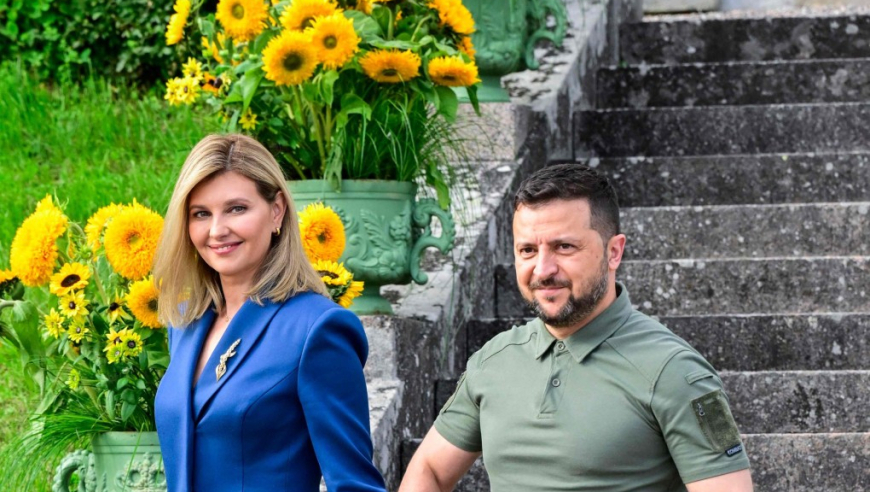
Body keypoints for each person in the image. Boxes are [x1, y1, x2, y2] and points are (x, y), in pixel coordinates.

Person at [399, 163, 753, 491]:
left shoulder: (675, 372)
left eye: (564, 247)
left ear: (614, 252)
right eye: (527, 250)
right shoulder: (492, 361)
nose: (543, 269)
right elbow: (429, 469)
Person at [153, 134, 387, 492]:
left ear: (276, 210)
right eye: (201, 214)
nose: (217, 230)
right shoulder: (185, 322)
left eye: (236, 209)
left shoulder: (317, 330)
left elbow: (356, 485)